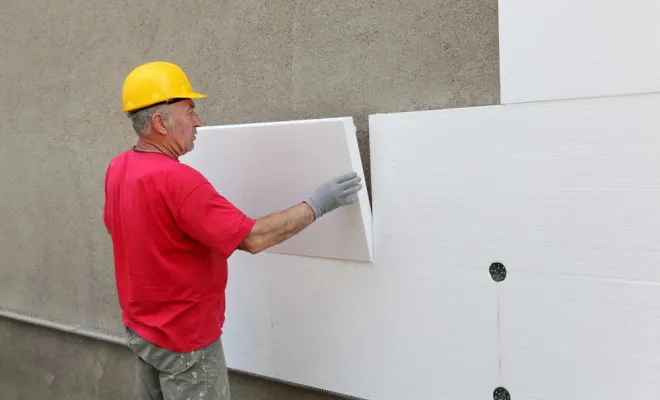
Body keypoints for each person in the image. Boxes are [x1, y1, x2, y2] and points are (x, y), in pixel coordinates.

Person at [103, 61, 364, 400]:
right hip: (185, 343)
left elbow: (125, 232)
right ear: (159, 122)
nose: (198, 121)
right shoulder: (178, 181)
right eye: (190, 111)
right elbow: (253, 238)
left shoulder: (119, 167)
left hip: (144, 332)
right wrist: (318, 204)